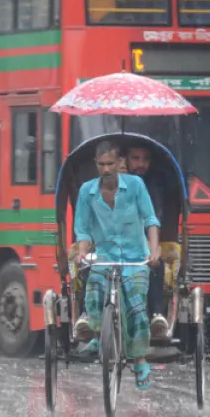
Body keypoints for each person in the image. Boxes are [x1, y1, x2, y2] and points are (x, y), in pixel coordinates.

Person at [72, 141, 161, 390]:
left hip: (135, 257)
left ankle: (140, 359)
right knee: (95, 286)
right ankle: (100, 334)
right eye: (102, 165)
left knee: (135, 299)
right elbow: (82, 228)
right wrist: (82, 253)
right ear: (96, 165)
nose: (107, 169)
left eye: (111, 163)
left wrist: (153, 250)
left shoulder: (135, 186)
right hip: (105, 254)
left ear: (119, 163)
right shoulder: (86, 192)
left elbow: (151, 219)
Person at [125, 145, 170, 339]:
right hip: (112, 243)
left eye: (145, 159)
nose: (140, 164)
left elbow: (153, 219)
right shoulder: (106, 186)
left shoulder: (152, 186)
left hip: (141, 241)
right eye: (135, 158)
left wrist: (153, 249)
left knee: (155, 265)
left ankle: (156, 313)